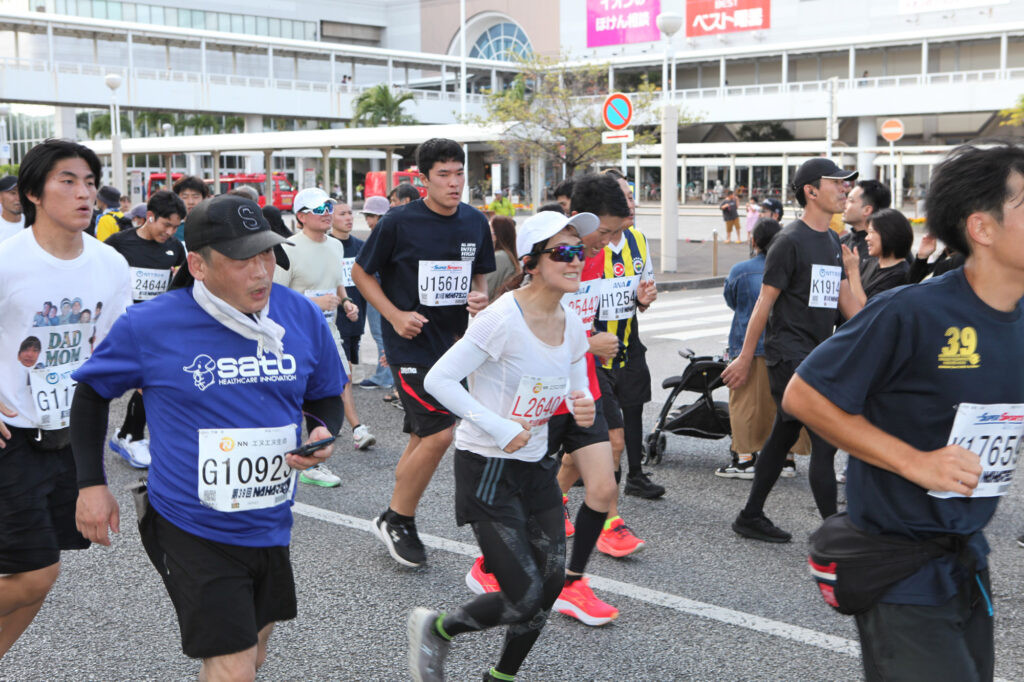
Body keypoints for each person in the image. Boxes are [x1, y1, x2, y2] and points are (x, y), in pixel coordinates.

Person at [71, 193, 345, 681]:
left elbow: (324, 393)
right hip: (190, 523)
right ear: (198, 264)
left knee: (254, 654)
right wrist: (91, 484)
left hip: (270, 518)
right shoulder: (151, 324)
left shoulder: (298, 314)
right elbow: (91, 394)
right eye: (243, 260)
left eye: (267, 255)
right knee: (234, 666)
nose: (261, 272)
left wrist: (324, 430)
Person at [783, 141, 1024, 682]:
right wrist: (916, 462)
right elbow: (804, 395)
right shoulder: (913, 311)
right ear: (982, 228)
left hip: (968, 560)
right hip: (899, 568)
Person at [410, 210, 597, 682]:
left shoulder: (572, 321)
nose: (577, 260)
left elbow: (577, 378)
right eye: (564, 252)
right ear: (532, 261)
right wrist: (497, 426)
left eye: (580, 251)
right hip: (488, 468)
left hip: (537, 467)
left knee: (549, 586)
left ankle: (502, 677)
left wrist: (583, 402)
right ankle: (438, 629)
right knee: (524, 595)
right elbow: (439, 379)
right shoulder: (501, 318)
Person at [469, 174, 637, 626]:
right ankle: (491, 563)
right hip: (541, 397)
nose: (606, 242)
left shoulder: (594, 260)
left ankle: (572, 582)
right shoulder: (554, 258)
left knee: (603, 486)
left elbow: (587, 317)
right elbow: (523, 314)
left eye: (614, 233)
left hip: (582, 388)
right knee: (532, 493)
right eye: (604, 231)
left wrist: (635, 303)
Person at [0, 139, 132, 660]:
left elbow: (117, 346)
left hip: (69, 435)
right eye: (68, 181)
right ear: (33, 193)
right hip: (12, 434)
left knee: (38, 574)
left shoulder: (109, 263)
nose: (84, 194)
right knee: (36, 572)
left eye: (90, 182)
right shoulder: (7, 259)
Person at [352, 138, 495, 567]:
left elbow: (480, 280)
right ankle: (399, 518)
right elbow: (361, 273)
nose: (454, 183)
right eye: (443, 175)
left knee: (422, 435)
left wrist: (480, 300)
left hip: (454, 348)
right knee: (439, 432)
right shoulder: (398, 222)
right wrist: (395, 316)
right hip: (409, 345)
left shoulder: (475, 221)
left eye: (459, 174)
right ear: (424, 178)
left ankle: (393, 513)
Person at [722, 157, 861, 542]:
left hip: (819, 355)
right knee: (826, 440)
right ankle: (836, 535)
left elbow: (847, 303)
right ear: (811, 191)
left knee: (782, 437)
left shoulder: (832, 241)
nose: (845, 188)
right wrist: (745, 358)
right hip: (790, 357)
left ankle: (750, 515)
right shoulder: (789, 241)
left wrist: (881, 333)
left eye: (846, 183)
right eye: (837, 182)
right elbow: (763, 305)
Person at [273, 188, 373, 480]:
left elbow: (336, 283)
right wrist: (313, 303)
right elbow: (274, 298)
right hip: (294, 337)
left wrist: (346, 302)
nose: (327, 213)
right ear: (301, 216)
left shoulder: (336, 246)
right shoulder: (288, 249)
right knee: (297, 395)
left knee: (337, 385)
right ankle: (289, 458)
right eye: (318, 209)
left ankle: (315, 458)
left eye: (328, 207)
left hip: (329, 331)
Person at [717, 218, 811, 479]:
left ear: (754, 241)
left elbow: (731, 300)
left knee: (745, 403)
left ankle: (745, 460)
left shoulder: (741, 270)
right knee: (783, 404)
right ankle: (787, 459)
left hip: (748, 346)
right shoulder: (791, 267)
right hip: (784, 345)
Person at [103, 190, 188, 468]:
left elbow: (181, 282)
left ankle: (130, 435)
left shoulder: (175, 248)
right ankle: (126, 435)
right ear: (149, 216)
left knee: (151, 381)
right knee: (131, 383)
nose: (170, 232)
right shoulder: (118, 243)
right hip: (124, 325)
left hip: (158, 327)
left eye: (176, 226)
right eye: (166, 224)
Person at [592, 170, 663, 501]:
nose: (631, 204)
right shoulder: (591, 243)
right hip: (594, 345)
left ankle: (635, 475)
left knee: (633, 407)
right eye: (624, 198)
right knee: (599, 421)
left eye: (632, 196)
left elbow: (643, 292)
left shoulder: (638, 240)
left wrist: (644, 299)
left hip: (629, 340)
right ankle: (585, 475)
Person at [355, 195, 396, 395]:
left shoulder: (381, 235)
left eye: (371, 216)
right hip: (389, 291)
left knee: (380, 334)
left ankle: (384, 376)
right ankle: (389, 375)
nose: (368, 221)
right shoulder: (394, 232)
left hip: (378, 290)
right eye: (367, 216)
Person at [842, 207, 913, 307]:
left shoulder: (900, 275)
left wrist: (853, 270)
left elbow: (866, 309)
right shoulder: (869, 263)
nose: (866, 238)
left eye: (871, 232)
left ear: (888, 233)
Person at [329, 201, 369, 378]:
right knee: (341, 364)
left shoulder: (361, 246)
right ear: (330, 218)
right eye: (342, 214)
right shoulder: (327, 246)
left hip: (357, 310)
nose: (349, 218)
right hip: (334, 312)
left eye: (350, 213)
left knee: (352, 358)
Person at [840, 180, 892, 263]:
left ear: (867, 210)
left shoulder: (888, 248)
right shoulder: (841, 243)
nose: (844, 204)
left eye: (851, 200)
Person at [483, 215, 519, 301]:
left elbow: (485, 289)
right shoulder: (507, 255)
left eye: (489, 229)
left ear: (496, 234)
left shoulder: (499, 257)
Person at [172, 175, 211, 243]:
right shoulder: (172, 228)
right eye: (185, 197)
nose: (191, 202)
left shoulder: (212, 226)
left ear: (204, 198)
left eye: (195, 197)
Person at [0, 174, 24, 241]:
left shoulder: (34, 223)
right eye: (13, 193)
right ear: (0, 197)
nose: (19, 198)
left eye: (21, 193)